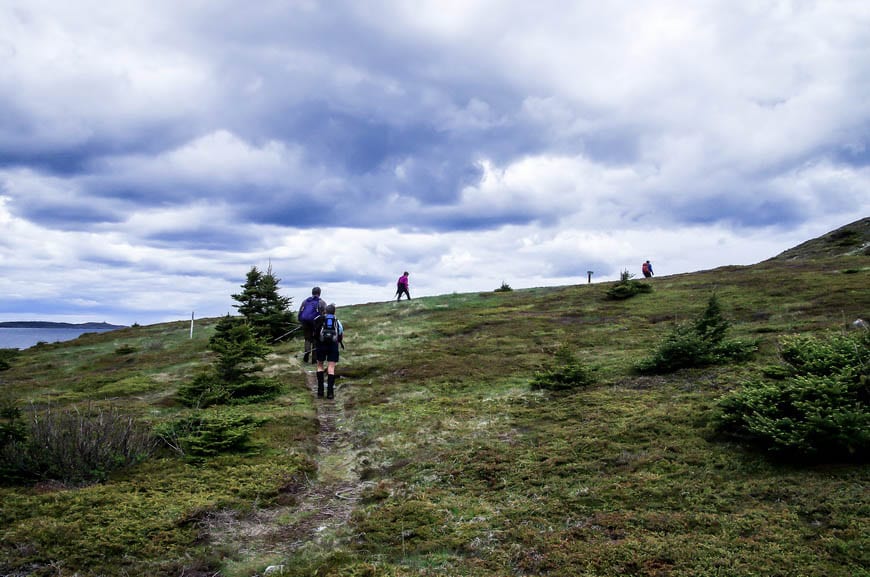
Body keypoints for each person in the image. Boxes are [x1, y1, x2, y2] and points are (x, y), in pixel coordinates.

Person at [313, 303, 344, 399]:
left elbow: (315, 333)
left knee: (319, 365)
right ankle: (330, 393)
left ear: (325, 311)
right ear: (334, 312)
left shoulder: (318, 319)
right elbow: (340, 334)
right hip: (333, 346)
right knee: (331, 368)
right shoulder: (337, 321)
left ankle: (320, 391)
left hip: (321, 345)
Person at [298, 286, 326, 363]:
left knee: (307, 339)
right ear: (319, 293)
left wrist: (301, 321)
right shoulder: (321, 302)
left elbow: (300, 312)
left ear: (312, 292)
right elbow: (325, 314)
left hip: (305, 322)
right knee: (315, 339)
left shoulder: (305, 301)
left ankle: (306, 353)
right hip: (316, 323)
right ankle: (314, 358)